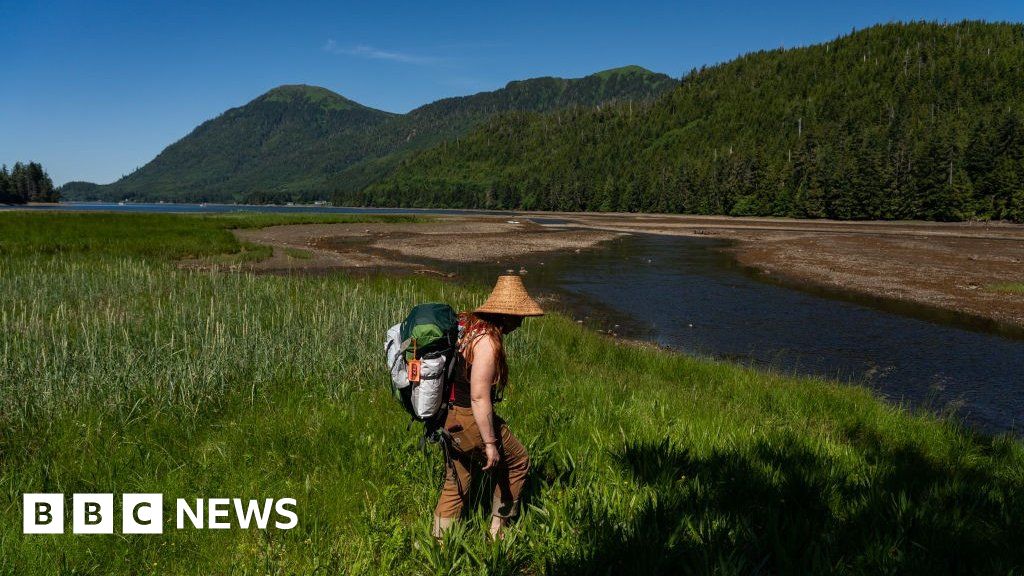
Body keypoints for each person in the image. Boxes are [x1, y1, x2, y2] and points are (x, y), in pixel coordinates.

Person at [433, 274, 544, 539]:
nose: (520, 323)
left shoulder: (470, 329)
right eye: (518, 317)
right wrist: (491, 443)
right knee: (518, 462)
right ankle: (497, 531)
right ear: (504, 315)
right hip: (470, 418)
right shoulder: (488, 343)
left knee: (457, 481)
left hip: (450, 417)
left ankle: (439, 545)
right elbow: (479, 397)